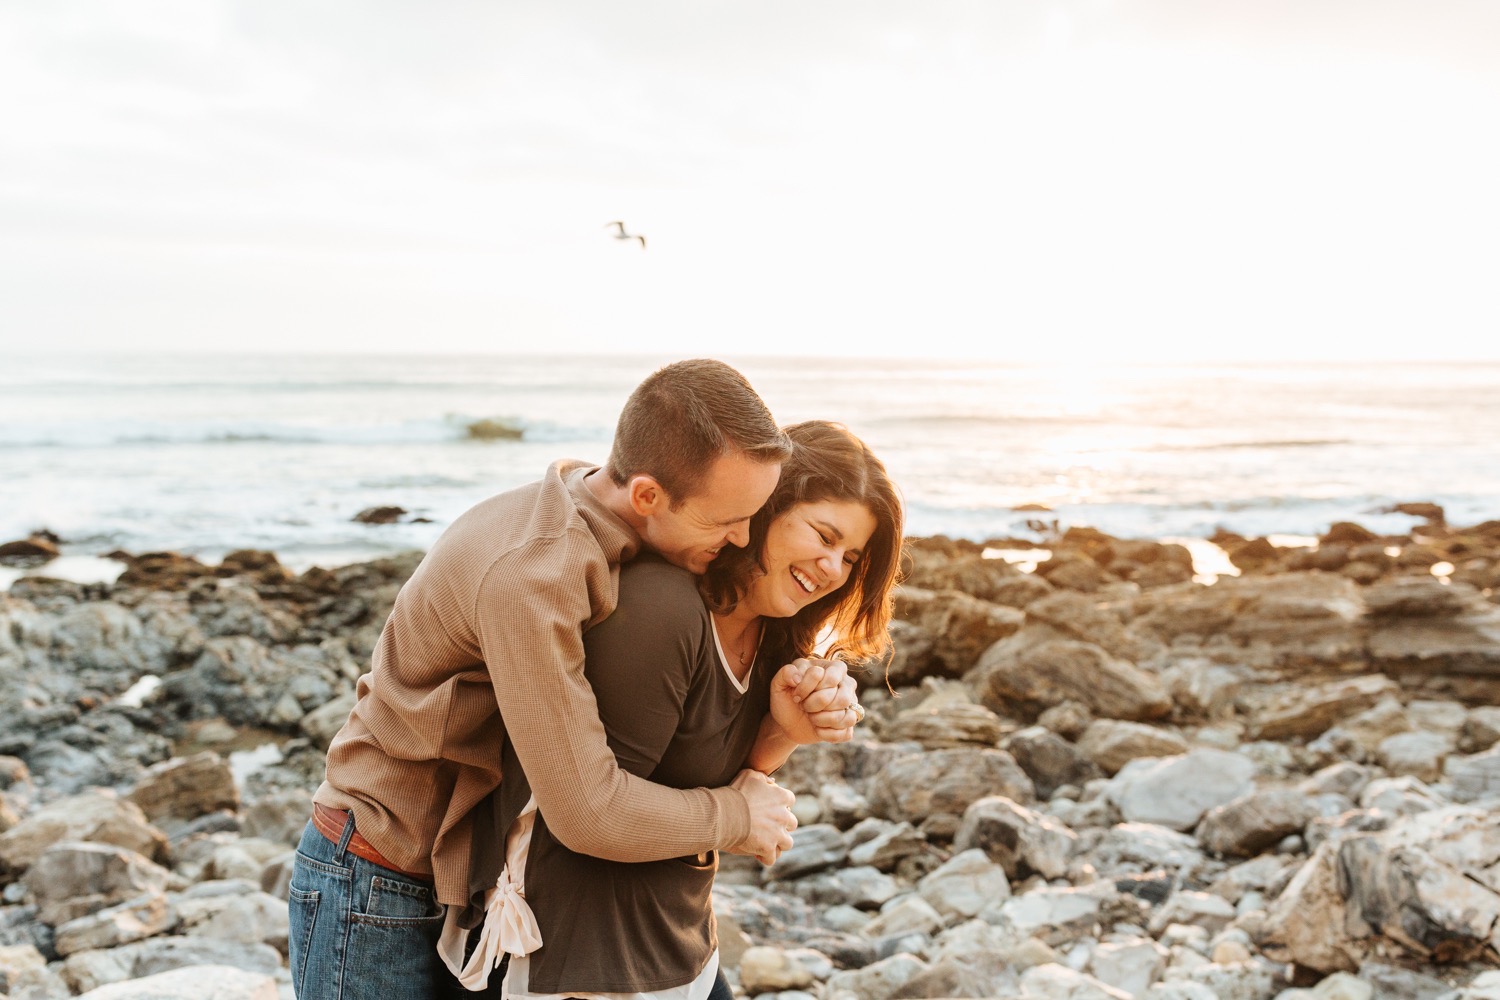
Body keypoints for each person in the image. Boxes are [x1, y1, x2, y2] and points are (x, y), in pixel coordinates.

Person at [288, 361, 859, 1000]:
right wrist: (735, 816)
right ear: (647, 495)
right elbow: (587, 812)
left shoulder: (602, 506)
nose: (743, 537)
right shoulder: (535, 580)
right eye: (726, 520)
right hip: (379, 871)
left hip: (447, 866)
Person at [444, 420, 904, 998]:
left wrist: (783, 732)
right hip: (570, 958)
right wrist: (740, 820)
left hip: (678, 947)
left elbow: (713, 787)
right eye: (824, 536)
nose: (833, 569)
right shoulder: (662, 608)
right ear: (767, 505)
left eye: (852, 557)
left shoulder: (775, 635)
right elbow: (596, 817)